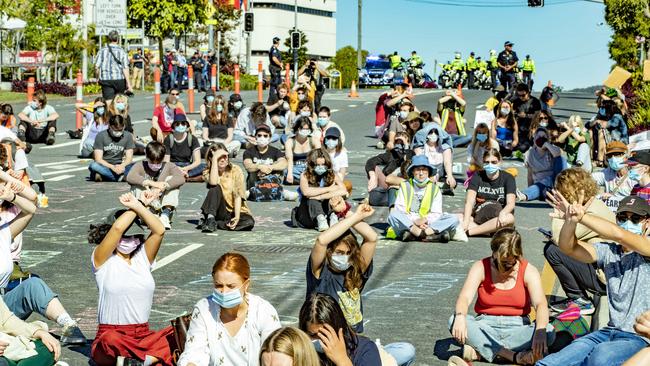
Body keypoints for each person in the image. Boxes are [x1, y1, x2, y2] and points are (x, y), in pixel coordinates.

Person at [536, 194, 650, 366]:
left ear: (647, 223)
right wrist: (571, 221)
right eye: (622, 217)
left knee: (600, 357)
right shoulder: (609, 251)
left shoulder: (647, 248)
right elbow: (569, 248)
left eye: (635, 218)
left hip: (638, 338)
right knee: (549, 363)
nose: (628, 223)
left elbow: (619, 234)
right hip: (608, 332)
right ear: (616, 219)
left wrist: (583, 217)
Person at [0, 173, 86, 346]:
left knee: (33, 284)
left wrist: (12, 196)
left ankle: (68, 324)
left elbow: (30, 209)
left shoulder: (4, 232)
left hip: (3, 309)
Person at [448, 228, 554, 366]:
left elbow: (540, 304)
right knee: (454, 319)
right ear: (494, 253)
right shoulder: (480, 267)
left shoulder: (528, 270)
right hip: (486, 326)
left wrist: (540, 330)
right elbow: (464, 298)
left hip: (517, 328)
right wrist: (461, 317)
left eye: (513, 261)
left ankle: (483, 351)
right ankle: (514, 356)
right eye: (504, 263)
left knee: (549, 331)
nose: (509, 266)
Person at [89, 192, 173, 366]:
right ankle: (150, 359)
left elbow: (159, 230)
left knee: (178, 331)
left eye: (134, 236)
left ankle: (138, 361)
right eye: (126, 237)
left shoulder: (142, 257)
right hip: (112, 335)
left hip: (142, 335)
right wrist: (138, 202)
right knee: (109, 340)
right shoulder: (102, 259)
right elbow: (118, 228)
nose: (130, 239)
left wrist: (141, 207)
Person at [178, 253, 281, 366]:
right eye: (218, 285)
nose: (224, 292)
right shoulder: (204, 309)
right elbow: (195, 352)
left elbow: (274, 355)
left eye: (231, 286)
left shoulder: (263, 311)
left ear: (246, 284)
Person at [544, 169, 613, 315]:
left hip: (604, 280)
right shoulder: (593, 204)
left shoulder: (591, 211)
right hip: (604, 269)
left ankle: (579, 299)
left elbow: (559, 240)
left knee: (553, 251)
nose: (556, 193)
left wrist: (560, 216)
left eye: (559, 189)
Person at [306, 201, 376, 332]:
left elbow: (371, 238)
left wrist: (346, 211)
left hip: (353, 339)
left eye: (349, 253)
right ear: (329, 252)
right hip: (323, 338)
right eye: (339, 252)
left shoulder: (356, 270)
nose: (345, 257)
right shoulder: (321, 272)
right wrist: (355, 217)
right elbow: (322, 240)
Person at [299, 293, 416, 366]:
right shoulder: (301, 351)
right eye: (313, 335)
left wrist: (342, 360)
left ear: (339, 329)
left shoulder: (364, 351)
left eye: (325, 335)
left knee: (406, 351)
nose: (321, 341)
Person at [387, 155, 461, 242]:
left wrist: (425, 220)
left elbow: (436, 213)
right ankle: (427, 235)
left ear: (428, 172)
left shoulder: (435, 188)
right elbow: (400, 210)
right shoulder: (405, 186)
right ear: (413, 172)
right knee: (393, 216)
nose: (421, 173)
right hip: (410, 222)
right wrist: (415, 221)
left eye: (424, 169)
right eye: (418, 170)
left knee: (454, 219)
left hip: (428, 224)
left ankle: (416, 234)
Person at [126, 141, 185, 230]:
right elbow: (130, 177)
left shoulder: (169, 166)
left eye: (158, 162)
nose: (155, 165)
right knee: (137, 186)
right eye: (152, 162)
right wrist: (152, 184)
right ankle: (147, 217)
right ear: (147, 157)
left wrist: (163, 186)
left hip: (161, 204)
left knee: (172, 183)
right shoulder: (140, 165)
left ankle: (165, 215)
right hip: (146, 204)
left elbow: (180, 178)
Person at [197, 143, 255, 232]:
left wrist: (237, 217)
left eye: (225, 156)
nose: (223, 159)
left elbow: (238, 195)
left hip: (234, 210)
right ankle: (210, 218)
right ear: (211, 158)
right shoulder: (207, 172)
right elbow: (213, 182)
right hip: (218, 210)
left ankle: (216, 223)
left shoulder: (236, 170)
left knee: (249, 222)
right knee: (215, 187)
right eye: (220, 157)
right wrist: (215, 158)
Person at [462, 149, 516, 237]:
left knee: (510, 218)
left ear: (500, 162)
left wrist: (502, 213)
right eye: (487, 162)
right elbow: (469, 201)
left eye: (494, 162)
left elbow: (511, 203)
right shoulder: (477, 176)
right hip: (480, 215)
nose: (490, 165)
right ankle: (489, 230)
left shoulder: (508, 178)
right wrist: (466, 221)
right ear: (483, 163)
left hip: (499, 217)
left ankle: (469, 232)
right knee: (459, 217)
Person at [292, 149, 348, 231]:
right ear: (311, 165)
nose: (321, 167)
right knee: (312, 199)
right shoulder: (305, 175)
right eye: (318, 165)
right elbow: (306, 192)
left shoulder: (332, 174)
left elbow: (343, 191)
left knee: (333, 197)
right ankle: (320, 219)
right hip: (308, 213)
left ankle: (332, 216)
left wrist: (321, 196)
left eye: (323, 164)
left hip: (326, 208)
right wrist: (330, 189)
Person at [243, 124, 298, 201]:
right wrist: (260, 167)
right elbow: (248, 165)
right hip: (256, 181)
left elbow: (284, 163)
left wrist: (270, 167)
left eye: (265, 136)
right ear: (255, 137)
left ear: (269, 138)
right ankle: (281, 193)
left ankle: (251, 194)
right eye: (259, 135)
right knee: (253, 170)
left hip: (271, 181)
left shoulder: (275, 151)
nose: (262, 138)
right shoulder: (249, 151)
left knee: (278, 169)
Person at [365, 132, 414, 207]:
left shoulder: (411, 153)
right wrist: (372, 176)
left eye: (403, 138)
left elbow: (407, 160)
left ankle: (376, 197)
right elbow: (371, 161)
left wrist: (406, 145)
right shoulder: (390, 154)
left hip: (401, 183)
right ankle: (372, 195)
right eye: (397, 139)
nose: (400, 141)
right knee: (375, 169)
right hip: (387, 183)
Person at [516, 128, 563, 202]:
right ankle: (524, 195)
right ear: (534, 139)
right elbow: (530, 175)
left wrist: (547, 144)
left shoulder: (551, 150)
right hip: (540, 186)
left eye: (544, 137)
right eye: (539, 136)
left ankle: (560, 193)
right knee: (540, 187)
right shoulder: (529, 153)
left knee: (561, 159)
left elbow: (558, 154)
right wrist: (530, 189)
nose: (541, 138)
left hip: (554, 183)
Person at [592, 141, 638, 211]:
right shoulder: (607, 173)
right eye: (610, 155)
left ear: (626, 155)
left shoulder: (636, 175)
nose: (613, 158)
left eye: (617, 154)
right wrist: (600, 196)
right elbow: (585, 179)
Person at [88, 114, 135, 182]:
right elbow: (98, 159)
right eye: (115, 130)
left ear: (123, 126)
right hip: (105, 165)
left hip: (120, 166)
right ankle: (119, 177)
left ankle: (105, 176)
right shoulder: (101, 136)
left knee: (136, 165)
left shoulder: (128, 136)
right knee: (93, 165)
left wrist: (122, 166)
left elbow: (129, 158)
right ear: (109, 126)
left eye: (120, 130)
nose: (118, 132)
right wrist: (112, 167)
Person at [413, 124, 457, 194]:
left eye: (436, 132)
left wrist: (450, 176)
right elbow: (420, 164)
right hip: (424, 174)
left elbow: (447, 163)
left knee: (451, 183)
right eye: (431, 132)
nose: (433, 134)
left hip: (441, 176)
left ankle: (436, 187)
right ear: (426, 134)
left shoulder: (445, 147)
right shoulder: (420, 147)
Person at [163, 114, 204, 181]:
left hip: (188, 165)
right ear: (173, 126)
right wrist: (177, 168)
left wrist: (186, 168)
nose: (180, 126)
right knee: (161, 167)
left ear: (186, 126)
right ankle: (186, 176)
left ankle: (180, 175)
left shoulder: (192, 139)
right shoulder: (169, 139)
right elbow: (166, 161)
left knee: (205, 166)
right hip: (173, 165)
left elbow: (197, 161)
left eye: (183, 124)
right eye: (177, 124)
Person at [94, 30, 132, 101]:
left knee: (108, 102)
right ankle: (119, 111)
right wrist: (128, 84)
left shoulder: (102, 51)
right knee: (120, 101)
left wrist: (97, 78)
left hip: (106, 80)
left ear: (109, 39)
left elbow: (97, 67)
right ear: (117, 39)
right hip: (119, 80)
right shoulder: (122, 51)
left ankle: (110, 111)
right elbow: (125, 68)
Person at [285, 117, 319, 185]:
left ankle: (301, 181)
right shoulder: (290, 141)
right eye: (303, 129)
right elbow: (289, 159)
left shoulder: (314, 140)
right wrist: (289, 174)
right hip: (296, 169)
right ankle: (307, 181)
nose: (305, 131)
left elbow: (319, 157)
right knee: (285, 171)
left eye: (307, 129)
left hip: (310, 167)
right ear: (297, 129)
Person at [512, 83, 542, 153]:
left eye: (523, 95)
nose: (521, 97)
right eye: (519, 95)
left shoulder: (535, 101)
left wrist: (526, 115)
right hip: (519, 129)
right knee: (515, 148)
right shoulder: (516, 101)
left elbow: (539, 116)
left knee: (524, 148)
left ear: (528, 93)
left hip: (531, 129)